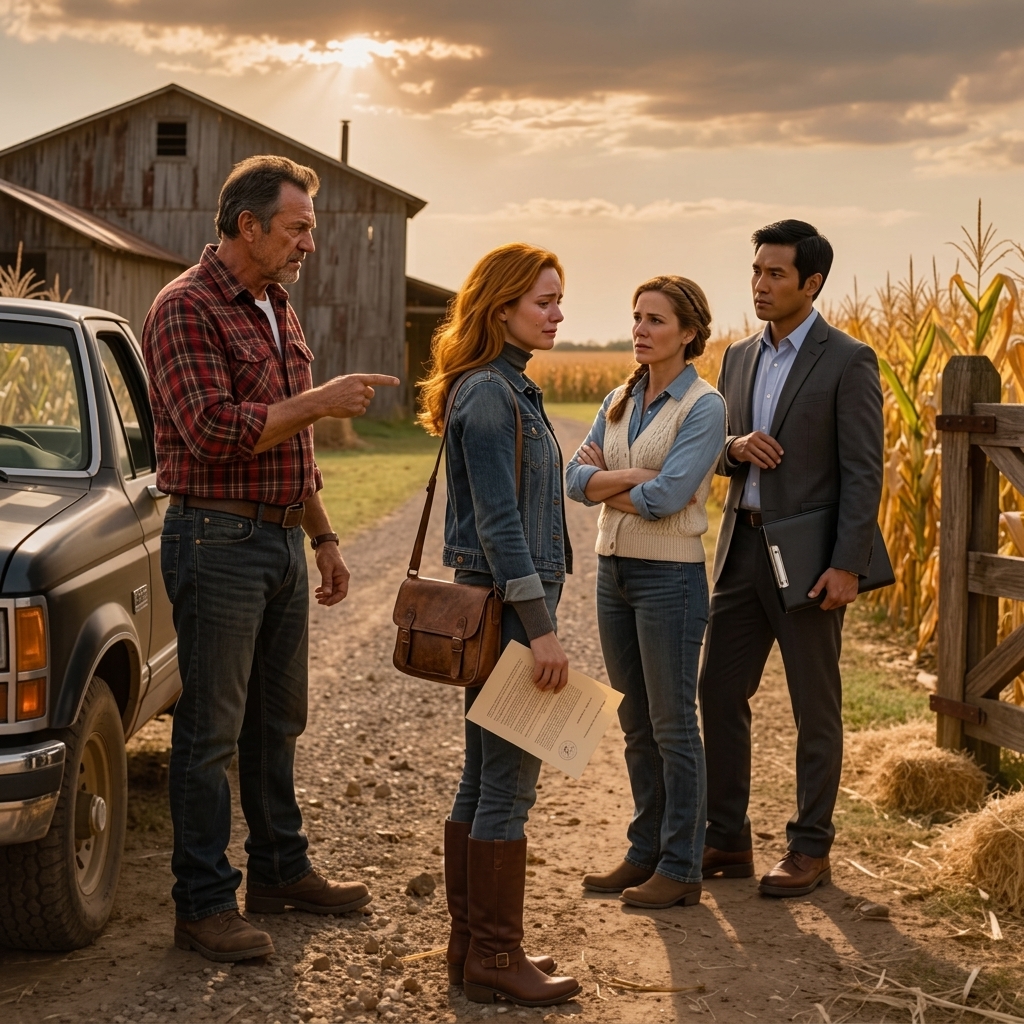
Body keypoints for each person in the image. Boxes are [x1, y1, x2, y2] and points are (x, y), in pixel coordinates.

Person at [143, 155, 400, 962]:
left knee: (278, 720)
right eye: (298, 228)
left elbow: (294, 441)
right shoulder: (184, 309)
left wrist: (322, 534)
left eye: (311, 230)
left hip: (280, 538)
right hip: (214, 538)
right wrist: (322, 400)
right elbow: (215, 431)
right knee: (211, 731)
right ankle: (203, 905)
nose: (309, 244)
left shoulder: (274, 305)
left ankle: (281, 873)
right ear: (247, 225)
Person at [699, 220, 883, 897]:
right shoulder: (737, 357)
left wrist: (848, 563)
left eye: (776, 274)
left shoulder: (848, 360)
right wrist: (732, 448)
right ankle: (726, 839)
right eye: (756, 271)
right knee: (717, 691)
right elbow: (713, 448)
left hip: (807, 559)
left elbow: (864, 471)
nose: (760, 284)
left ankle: (811, 847)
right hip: (740, 548)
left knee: (814, 705)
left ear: (812, 283)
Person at [418, 242, 581, 1007]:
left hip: (505, 606)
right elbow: (501, 524)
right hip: (508, 611)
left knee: (483, 777)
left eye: (557, 300)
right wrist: (541, 628)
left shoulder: (506, 388)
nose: (556, 313)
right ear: (501, 306)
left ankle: (472, 948)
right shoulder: (491, 395)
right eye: (543, 301)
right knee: (506, 787)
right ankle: (493, 953)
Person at [566, 276, 726, 910]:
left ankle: (683, 865)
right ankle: (644, 850)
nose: (640, 329)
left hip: (671, 580)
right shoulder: (618, 397)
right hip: (615, 575)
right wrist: (631, 477)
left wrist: (613, 481)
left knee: (672, 725)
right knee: (634, 723)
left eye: (655, 320)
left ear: (688, 333)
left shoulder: (704, 407)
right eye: (636, 317)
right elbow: (574, 479)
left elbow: (668, 501)